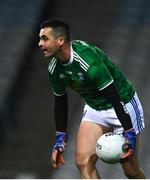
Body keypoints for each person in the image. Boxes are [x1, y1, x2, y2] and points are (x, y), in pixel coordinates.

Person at [38, 18, 146, 179]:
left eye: (44, 38)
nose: (40, 43)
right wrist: (60, 137)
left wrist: (129, 131)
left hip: (122, 103)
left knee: (131, 170)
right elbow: (60, 102)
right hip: (95, 107)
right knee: (83, 162)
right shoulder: (54, 68)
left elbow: (115, 98)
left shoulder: (89, 61)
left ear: (60, 41)